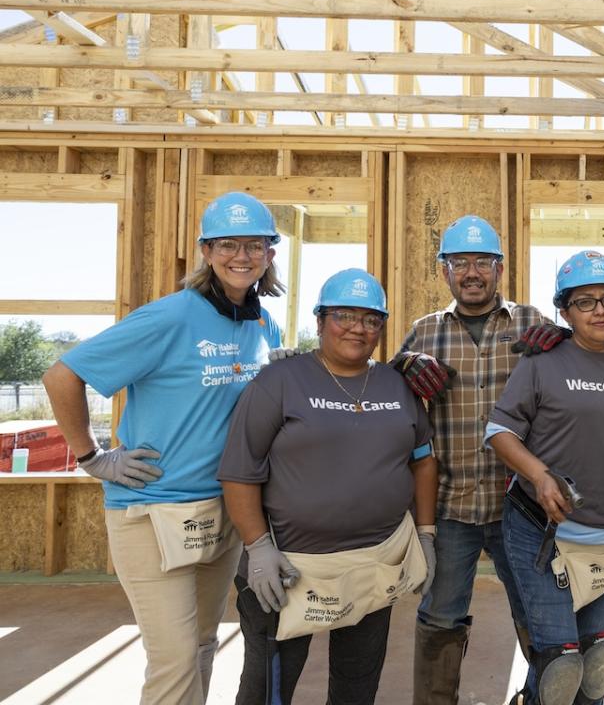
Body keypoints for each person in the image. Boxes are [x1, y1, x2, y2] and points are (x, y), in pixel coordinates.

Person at [42, 192, 284, 705]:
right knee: (173, 659)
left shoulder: (263, 326)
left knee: (200, 645)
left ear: (271, 254)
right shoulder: (170, 318)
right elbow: (63, 374)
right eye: (228, 244)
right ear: (206, 251)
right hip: (153, 511)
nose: (242, 256)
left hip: (223, 511)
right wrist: (92, 457)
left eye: (255, 245)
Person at [218, 268, 437, 705]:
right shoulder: (279, 381)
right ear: (319, 321)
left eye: (371, 319)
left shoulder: (398, 385)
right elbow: (240, 471)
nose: (358, 327)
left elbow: (423, 459)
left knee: (357, 686)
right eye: (344, 315)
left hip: (373, 567)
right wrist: (258, 547)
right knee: (267, 689)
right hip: (289, 568)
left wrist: (426, 535)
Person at [392, 215, 566, 704]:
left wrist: (562, 345)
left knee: (537, 613)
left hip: (520, 506)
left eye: (482, 262)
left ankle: (541, 696)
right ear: (443, 270)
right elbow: (388, 394)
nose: (472, 272)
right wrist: (404, 365)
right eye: (460, 261)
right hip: (451, 506)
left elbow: (582, 367)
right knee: (441, 614)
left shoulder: (533, 323)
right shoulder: (425, 332)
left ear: (500, 268)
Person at [486, 250, 604, 705]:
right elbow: (500, 431)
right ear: (565, 310)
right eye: (584, 302)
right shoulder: (542, 362)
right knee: (560, 664)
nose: (599, 311)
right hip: (543, 532)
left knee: (595, 664)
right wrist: (541, 475)